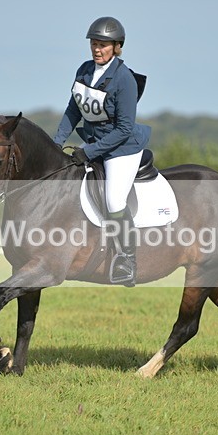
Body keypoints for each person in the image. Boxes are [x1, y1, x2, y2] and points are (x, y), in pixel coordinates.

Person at [53, 16, 150, 286]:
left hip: (122, 149)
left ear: (117, 47)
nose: (97, 49)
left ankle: (127, 260)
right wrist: (56, 143)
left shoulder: (125, 79)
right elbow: (73, 110)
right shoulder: (84, 70)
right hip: (93, 143)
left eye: (104, 45)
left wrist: (90, 151)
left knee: (115, 201)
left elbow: (124, 128)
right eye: (94, 44)